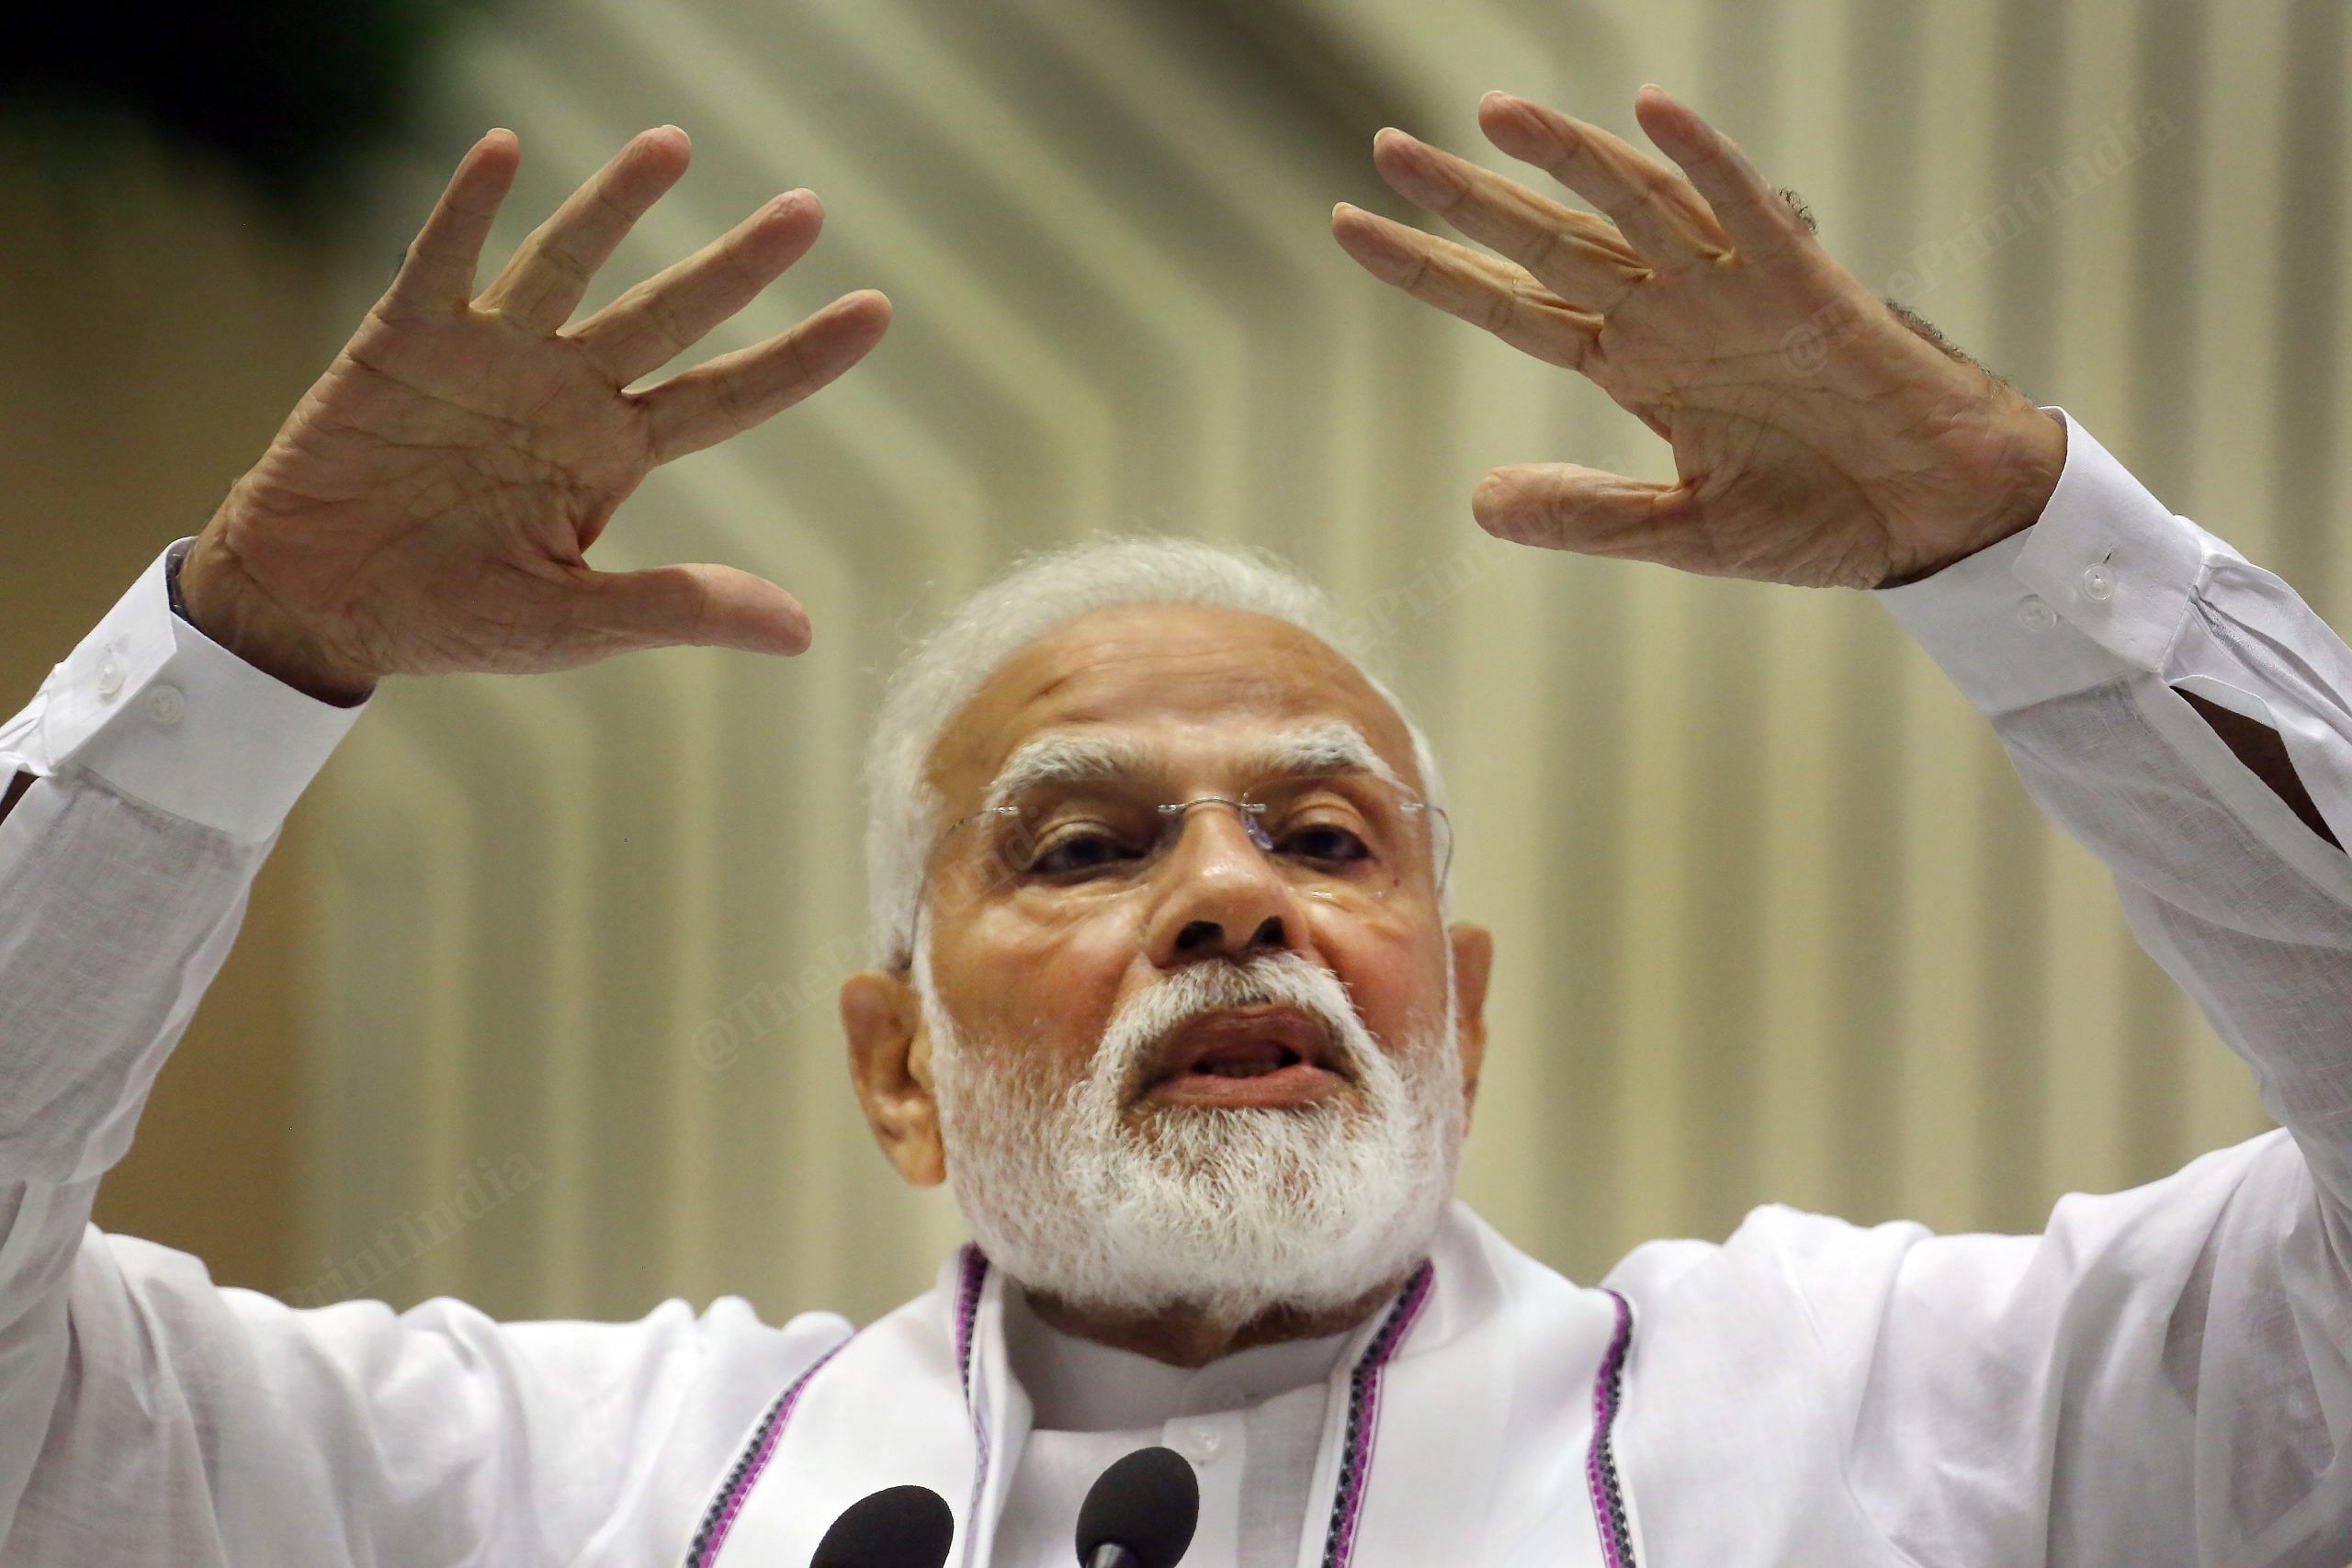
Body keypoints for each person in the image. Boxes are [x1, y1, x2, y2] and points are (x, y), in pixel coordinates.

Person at [1, 82, 2346, 1568]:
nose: (1234, 892)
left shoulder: (1904, 1414)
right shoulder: (531, 1479)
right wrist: (242, 650)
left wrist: (2014, 540)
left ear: (1463, 1018)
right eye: (1082, 844)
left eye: (1330, 842)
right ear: (896, 1062)